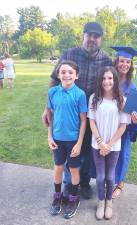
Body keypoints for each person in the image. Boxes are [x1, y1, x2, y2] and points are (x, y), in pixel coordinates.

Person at [42, 21, 112, 202]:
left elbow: (112, 84)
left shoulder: (106, 60)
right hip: (70, 113)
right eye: (89, 35)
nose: (92, 39)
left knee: (87, 149)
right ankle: (68, 183)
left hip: (93, 113)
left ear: (101, 39)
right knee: (68, 147)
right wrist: (46, 109)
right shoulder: (70, 54)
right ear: (83, 36)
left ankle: (84, 183)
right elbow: (53, 80)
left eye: (96, 36)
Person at [88, 66, 131, 220]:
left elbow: (123, 126)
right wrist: (100, 142)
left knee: (110, 176)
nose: (107, 81)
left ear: (115, 80)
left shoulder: (122, 100)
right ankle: (100, 202)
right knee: (100, 177)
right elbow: (92, 122)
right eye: (104, 78)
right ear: (100, 80)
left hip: (114, 146)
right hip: (97, 144)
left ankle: (109, 202)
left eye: (110, 78)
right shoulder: (94, 98)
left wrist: (109, 144)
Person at [47, 60, 87, 219]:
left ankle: (73, 199)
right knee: (57, 168)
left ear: (76, 75)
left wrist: (79, 143)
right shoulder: (52, 92)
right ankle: (57, 197)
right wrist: (49, 135)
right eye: (63, 72)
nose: (66, 75)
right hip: (57, 139)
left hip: (73, 141)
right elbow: (51, 116)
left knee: (74, 170)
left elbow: (84, 120)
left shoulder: (80, 94)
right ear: (58, 75)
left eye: (70, 72)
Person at [111, 46, 137, 199]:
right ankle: (106, 181)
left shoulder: (132, 87)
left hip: (123, 129)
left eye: (128, 62)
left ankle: (119, 183)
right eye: (122, 61)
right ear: (117, 61)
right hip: (108, 125)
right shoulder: (109, 78)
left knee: (121, 154)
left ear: (131, 65)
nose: (125, 64)